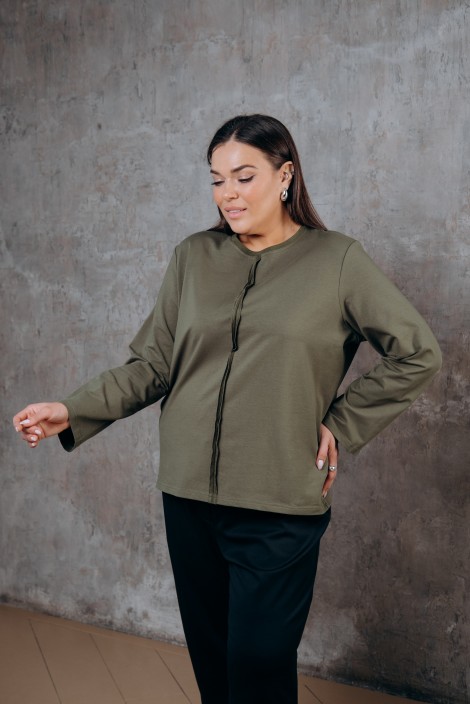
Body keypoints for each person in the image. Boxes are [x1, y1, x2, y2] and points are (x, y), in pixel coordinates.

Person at [13, 114, 442, 704]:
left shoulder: (337, 260)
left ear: (284, 175)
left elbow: (417, 353)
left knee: (258, 659)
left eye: (244, 177)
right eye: (217, 180)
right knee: (214, 660)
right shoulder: (194, 257)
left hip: (279, 496)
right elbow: (153, 366)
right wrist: (71, 409)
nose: (228, 194)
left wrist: (341, 425)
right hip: (188, 494)